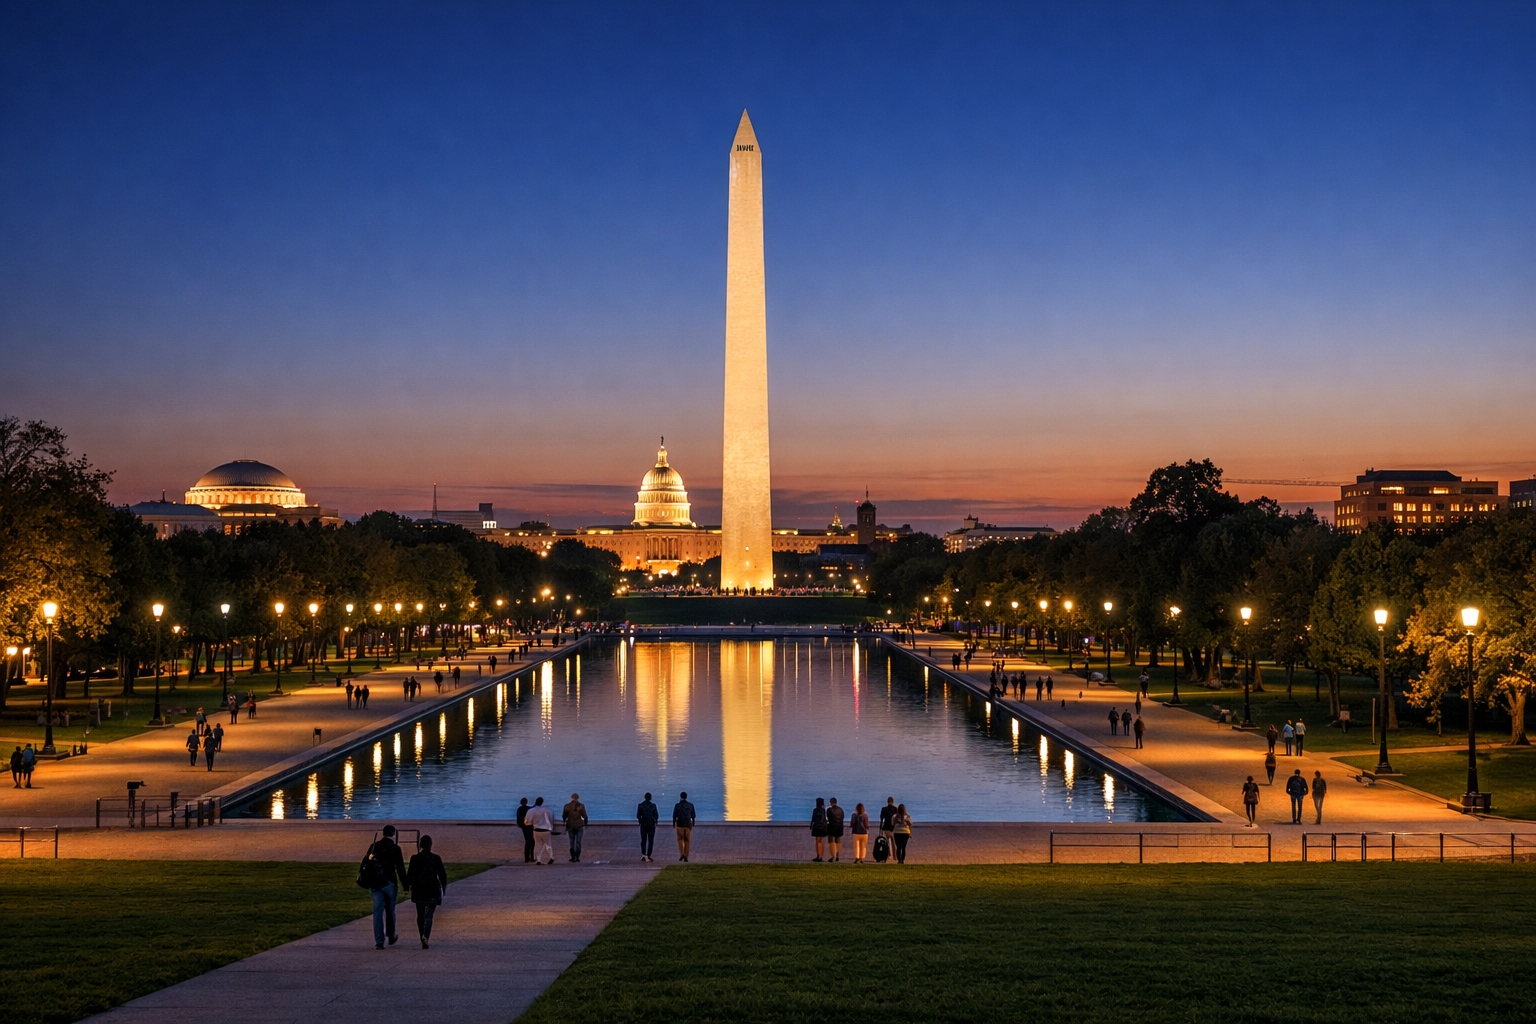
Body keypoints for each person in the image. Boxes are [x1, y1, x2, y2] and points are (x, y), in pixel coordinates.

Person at [363, 824, 408, 948]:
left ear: (383, 833)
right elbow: (400, 868)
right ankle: (391, 934)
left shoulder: (374, 846)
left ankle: (379, 941)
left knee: (377, 912)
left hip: (375, 882)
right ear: (393, 834)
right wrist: (405, 885)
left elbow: (367, 863)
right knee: (390, 910)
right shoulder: (395, 848)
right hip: (390, 881)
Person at [406, 834, 448, 949]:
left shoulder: (415, 858)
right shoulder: (436, 858)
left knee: (420, 914)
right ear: (431, 845)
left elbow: (410, 875)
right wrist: (443, 887)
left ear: (420, 845)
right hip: (432, 888)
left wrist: (406, 887)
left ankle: (422, 936)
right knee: (429, 915)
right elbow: (442, 874)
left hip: (419, 888)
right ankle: (426, 936)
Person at [526, 797, 555, 864]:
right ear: (542, 802)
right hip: (546, 830)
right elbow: (550, 819)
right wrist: (551, 828)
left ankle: (538, 860)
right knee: (548, 844)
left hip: (536, 830)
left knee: (538, 845)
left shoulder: (531, 810)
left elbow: (527, 821)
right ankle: (551, 857)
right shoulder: (547, 810)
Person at [562, 792, 589, 862]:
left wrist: (564, 822)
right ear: (578, 798)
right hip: (579, 825)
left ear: (571, 798)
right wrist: (585, 823)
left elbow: (564, 816)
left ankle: (572, 857)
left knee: (572, 842)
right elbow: (584, 816)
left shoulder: (567, 806)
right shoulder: (581, 806)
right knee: (578, 842)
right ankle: (577, 857)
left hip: (570, 825)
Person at [673, 791, 696, 861]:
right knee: (687, 840)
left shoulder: (677, 805)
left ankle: (682, 854)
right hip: (688, 824)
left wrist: (674, 823)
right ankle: (686, 855)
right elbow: (693, 815)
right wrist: (693, 823)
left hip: (680, 824)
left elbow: (674, 815)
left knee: (680, 839)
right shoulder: (690, 805)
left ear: (680, 797)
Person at [637, 791, 659, 862]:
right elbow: (656, 815)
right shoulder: (653, 806)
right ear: (651, 798)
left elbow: (638, 815)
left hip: (643, 825)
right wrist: (655, 821)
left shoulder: (640, 805)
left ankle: (643, 854)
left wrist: (640, 821)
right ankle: (648, 855)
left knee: (643, 840)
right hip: (651, 825)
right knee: (651, 840)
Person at [826, 797, 846, 862]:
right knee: (838, 842)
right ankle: (837, 855)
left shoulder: (829, 810)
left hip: (831, 827)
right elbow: (842, 817)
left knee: (831, 842)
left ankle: (833, 856)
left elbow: (827, 818)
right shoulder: (841, 809)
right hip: (839, 827)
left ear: (831, 803)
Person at [810, 797, 829, 862]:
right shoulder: (824, 810)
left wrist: (811, 825)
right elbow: (826, 819)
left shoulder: (815, 810)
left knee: (817, 841)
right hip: (823, 827)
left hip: (817, 827)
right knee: (821, 842)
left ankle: (818, 855)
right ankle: (820, 855)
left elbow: (813, 819)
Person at [516, 797, 534, 863]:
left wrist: (521, 825)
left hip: (524, 827)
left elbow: (518, 819)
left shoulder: (519, 809)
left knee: (527, 842)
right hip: (529, 826)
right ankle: (531, 857)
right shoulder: (528, 809)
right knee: (531, 842)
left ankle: (527, 858)